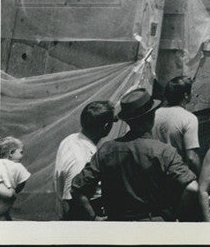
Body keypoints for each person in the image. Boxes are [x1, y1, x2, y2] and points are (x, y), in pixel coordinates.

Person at [71, 88, 198, 221]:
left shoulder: (106, 150)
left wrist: (94, 218)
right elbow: (192, 189)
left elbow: (77, 188)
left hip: (116, 226)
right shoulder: (165, 152)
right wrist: (177, 216)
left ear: (127, 120)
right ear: (152, 116)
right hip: (153, 226)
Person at [54, 100, 114, 220]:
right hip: (82, 215)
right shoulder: (81, 158)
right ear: (106, 127)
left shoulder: (71, 139)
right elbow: (72, 196)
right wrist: (93, 218)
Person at [152, 76, 201, 174]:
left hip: (154, 172)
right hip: (176, 174)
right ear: (186, 95)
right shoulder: (189, 118)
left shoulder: (154, 114)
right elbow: (191, 158)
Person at [0, 136, 31, 220]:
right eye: (21, 152)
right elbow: (21, 184)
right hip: (4, 208)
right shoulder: (18, 167)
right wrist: (14, 191)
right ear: (11, 153)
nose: (23, 155)